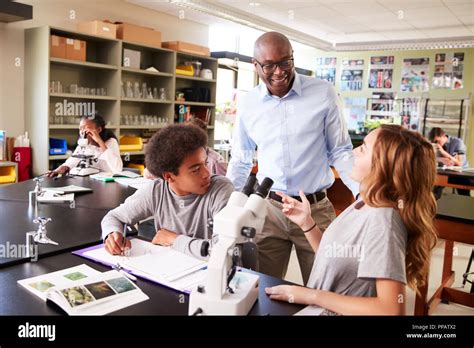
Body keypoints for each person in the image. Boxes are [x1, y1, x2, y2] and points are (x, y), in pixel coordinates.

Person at [227, 32, 358, 284]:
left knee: (327, 288)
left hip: (315, 208)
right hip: (268, 209)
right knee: (262, 287)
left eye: (285, 62)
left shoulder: (323, 93)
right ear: (255, 66)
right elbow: (241, 159)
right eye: (268, 65)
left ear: (293, 59)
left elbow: (340, 150)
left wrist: (362, 194)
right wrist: (229, 204)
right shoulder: (248, 103)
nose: (278, 72)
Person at [265, 125, 438, 315]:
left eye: (363, 148)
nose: (354, 152)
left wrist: (311, 295)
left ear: (385, 166)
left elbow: (392, 309)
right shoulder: (365, 202)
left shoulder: (384, 221)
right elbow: (334, 256)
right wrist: (307, 223)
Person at [101, 124, 234, 259]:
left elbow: (226, 252)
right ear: (169, 177)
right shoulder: (156, 191)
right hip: (168, 272)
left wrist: (174, 240)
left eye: (205, 163)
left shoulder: (221, 189)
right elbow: (113, 217)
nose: (207, 173)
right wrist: (112, 234)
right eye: (195, 170)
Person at [47, 115, 122, 176]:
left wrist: (99, 141)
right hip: (92, 179)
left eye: (85, 129)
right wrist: (60, 169)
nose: (82, 133)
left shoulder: (111, 142)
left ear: (98, 129)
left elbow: (117, 168)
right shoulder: (84, 143)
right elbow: (73, 160)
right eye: (80, 129)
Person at [429, 127, 470, 197]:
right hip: (445, 173)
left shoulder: (457, 142)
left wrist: (443, 152)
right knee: (434, 192)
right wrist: (440, 159)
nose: (436, 143)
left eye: (438, 141)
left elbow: (459, 163)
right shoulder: (436, 145)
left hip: (461, 174)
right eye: (434, 142)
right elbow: (430, 158)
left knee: (464, 195)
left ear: (444, 136)